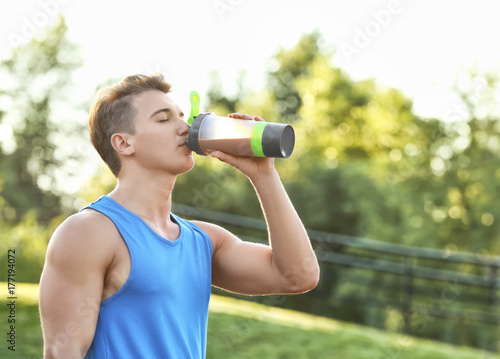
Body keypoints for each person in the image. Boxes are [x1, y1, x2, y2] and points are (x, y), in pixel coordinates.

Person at [39, 73, 320, 358]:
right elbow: (62, 352)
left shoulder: (204, 241)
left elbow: (299, 276)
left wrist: (264, 175)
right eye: (163, 119)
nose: (185, 128)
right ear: (124, 143)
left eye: (182, 117)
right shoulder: (89, 232)